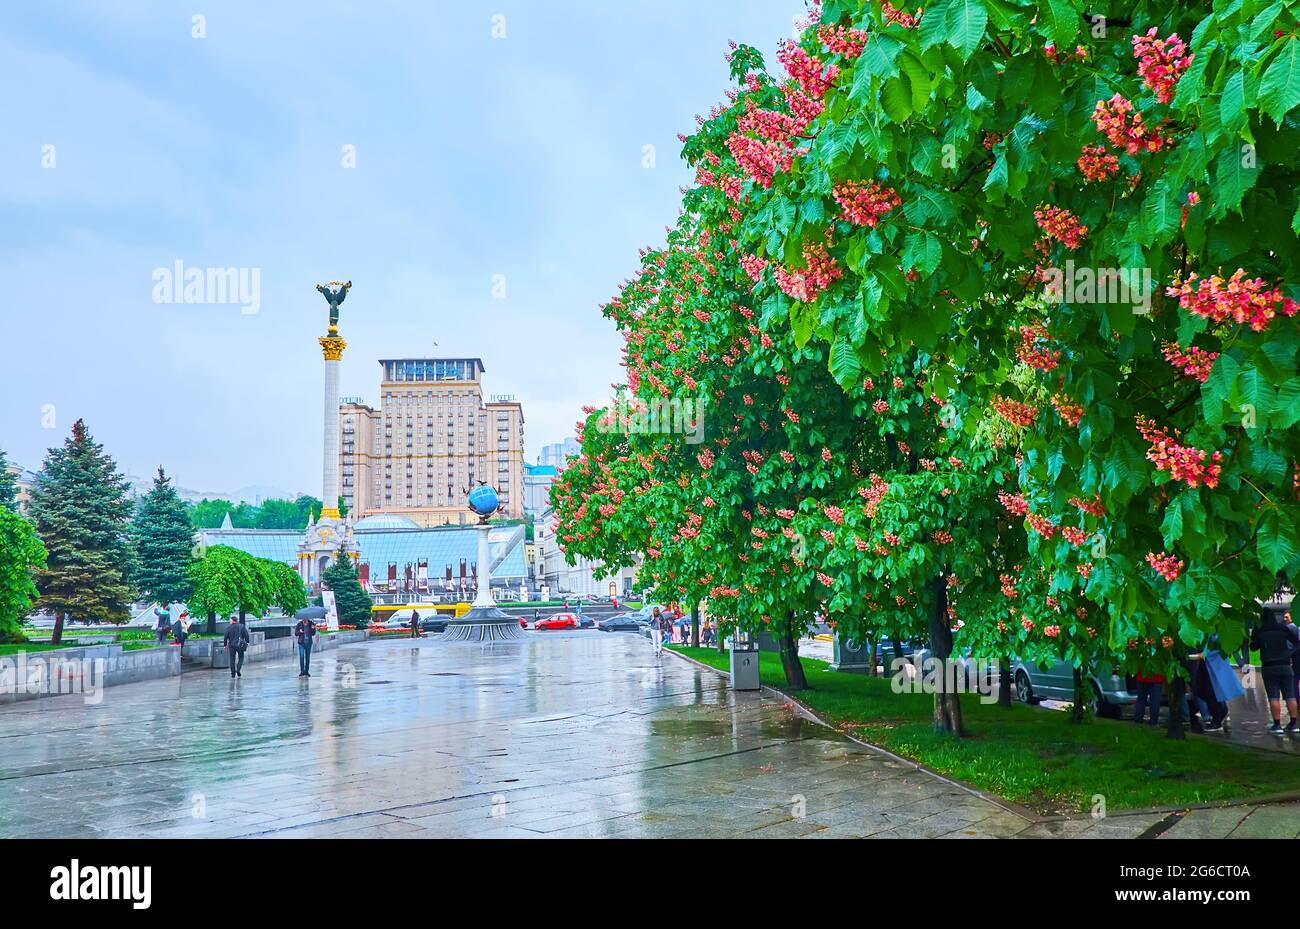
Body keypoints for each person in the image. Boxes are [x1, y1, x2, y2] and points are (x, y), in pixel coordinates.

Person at [1250, 606, 1300, 735]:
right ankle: (1293, 724)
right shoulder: (1282, 629)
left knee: (1273, 696)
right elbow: (1296, 641)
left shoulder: (1261, 631)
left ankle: (1277, 725)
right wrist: (1289, 652)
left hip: (1269, 667)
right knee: (1290, 695)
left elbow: (1253, 647)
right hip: (1285, 665)